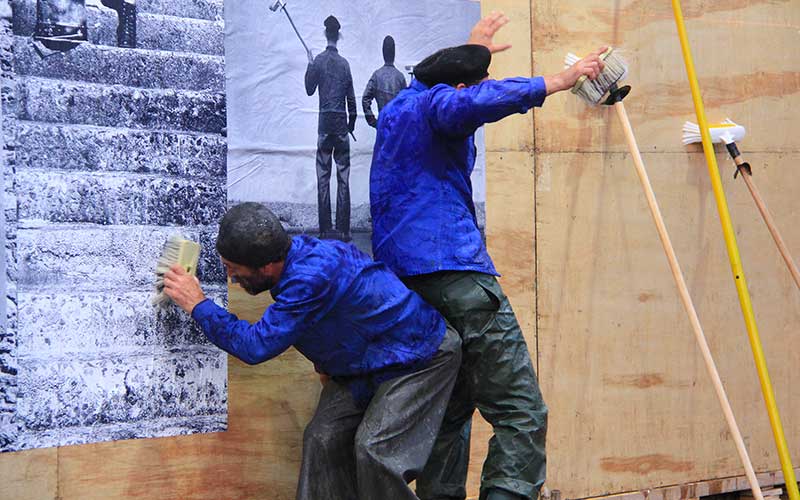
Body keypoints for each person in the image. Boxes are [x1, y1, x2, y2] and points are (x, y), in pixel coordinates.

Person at [369, 11, 607, 500]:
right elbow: (465, 104)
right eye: (476, 82)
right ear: (458, 87)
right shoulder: (443, 104)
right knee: (521, 413)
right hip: (455, 272)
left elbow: (446, 82)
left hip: (408, 283)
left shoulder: (400, 106)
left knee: (449, 412)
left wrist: (472, 47)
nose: (483, 86)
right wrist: (558, 81)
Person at [163, 202, 461, 500]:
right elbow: (341, 313)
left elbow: (255, 346)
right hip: (369, 362)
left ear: (266, 267)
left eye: (234, 270)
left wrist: (198, 305)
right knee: (322, 438)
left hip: (421, 355)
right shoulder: (296, 261)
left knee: (375, 451)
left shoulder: (309, 277)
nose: (232, 278)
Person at [305, 15, 357, 242]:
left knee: (323, 176)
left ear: (326, 34)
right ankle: (344, 231)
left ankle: (325, 230)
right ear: (339, 35)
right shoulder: (345, 64)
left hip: (324, 125)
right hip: (341, 126)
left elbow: (309, 89)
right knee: (343, 176)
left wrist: (309, 65)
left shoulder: (318, 61)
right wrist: (351, 125)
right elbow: (352, 102)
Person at [362, 35, 407, 128]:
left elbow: (365, 99)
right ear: (394, 53)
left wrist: (373, 122)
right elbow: (406, 104)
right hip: (397, 128)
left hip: (382, 127)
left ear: (383, 52)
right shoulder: (400, 77)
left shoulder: (377, 76)